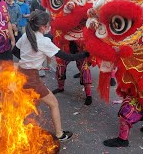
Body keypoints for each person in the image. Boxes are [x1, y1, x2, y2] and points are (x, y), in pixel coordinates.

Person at [14, 10, 90, 141]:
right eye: (48, 25)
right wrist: (85, 54)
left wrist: (30, 61)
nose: (49, 27)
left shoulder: (26, 35)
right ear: (43, 27)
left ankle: (19, 128)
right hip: (31, 79)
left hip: (20, 75)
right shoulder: (44, 41)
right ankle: (60, 134)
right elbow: (68, 57)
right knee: (53, 103)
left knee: (32, 103)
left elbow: (15, 51)